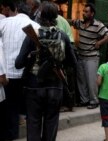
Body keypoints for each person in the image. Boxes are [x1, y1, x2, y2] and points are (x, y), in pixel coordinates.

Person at [15, 2, 77, 140]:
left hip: (33, 87)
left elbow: (18, 63)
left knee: (33, 123)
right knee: (51, 123)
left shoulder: (32, 35)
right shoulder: (63, 36)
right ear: (56, 17)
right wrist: (58, 62)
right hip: (55, 87)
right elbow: (73, 64)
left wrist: (31, 56)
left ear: (40, 16)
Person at [0, 1, 40, 140]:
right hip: (26, 74)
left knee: (10, 106)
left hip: (7, 72)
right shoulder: (35, 26)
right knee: (26, 106)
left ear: (16, 10)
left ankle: (11, 134)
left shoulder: (4, 23)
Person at [70, 3, 108, 109]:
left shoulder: (98, 25)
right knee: (81, 80)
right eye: (83, 11)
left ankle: (94, 101)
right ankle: (84, 100)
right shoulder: (79, 23)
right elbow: (70, 22)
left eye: (86, 12)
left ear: (92, 13)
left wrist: (99, 43)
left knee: (91, 80)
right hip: (81, 55)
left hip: (92, 57)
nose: (84, 13)